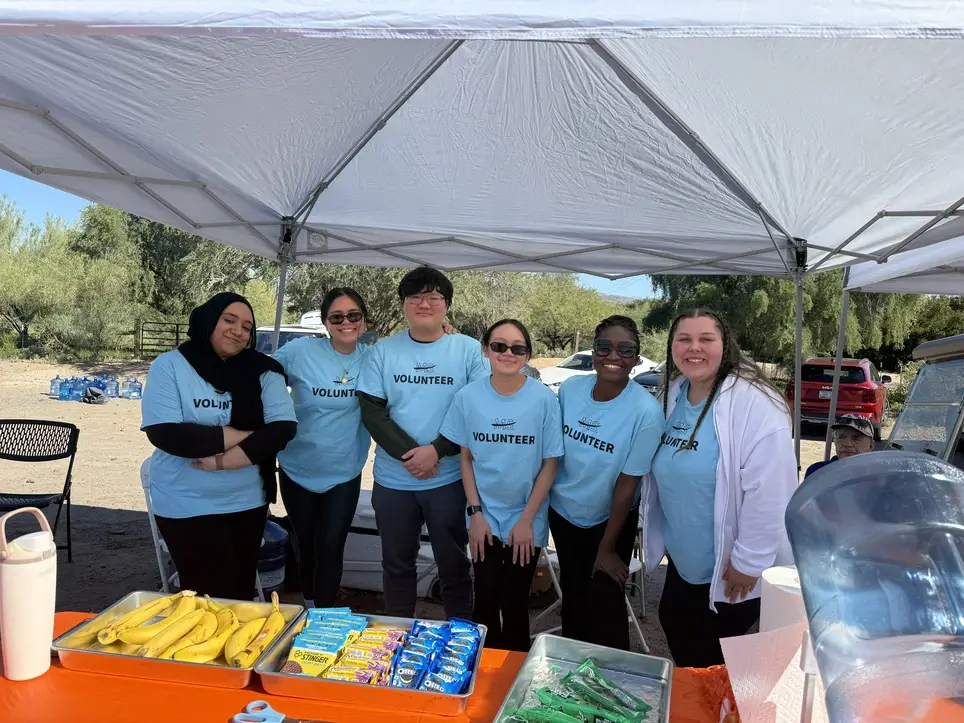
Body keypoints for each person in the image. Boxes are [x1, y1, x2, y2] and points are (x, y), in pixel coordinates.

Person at [645, 308, 797, 668]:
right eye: (683, 339)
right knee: (678, 631)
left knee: (712, 660)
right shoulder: (673, 394)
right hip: (684, 562)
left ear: (724, 345)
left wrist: (749, 561)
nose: (693, 348)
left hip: (731, 570)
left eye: (705, 339)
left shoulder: (756, 404)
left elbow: (772, 491)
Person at [141, 292, 297, 600]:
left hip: (246, 501)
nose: (238, 331)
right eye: (229, 320)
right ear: (209, 320)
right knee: (202, 595)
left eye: (247, 327)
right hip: (184, 500)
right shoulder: (171, 366)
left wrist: (222, 461)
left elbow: (282, 429)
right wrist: (247, 431)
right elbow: (168, 434)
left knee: (239, 592)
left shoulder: (265, 370)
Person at [357, 266, 488, 619]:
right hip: (393, 480)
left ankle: (459, 635)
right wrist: (411, 455)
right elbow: (372, 413)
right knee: (397, 565)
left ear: (447, 305)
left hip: (446, 479)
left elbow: (477, 408)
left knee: (454, 564)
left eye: (433, 297)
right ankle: (397, 632)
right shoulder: (382, 352)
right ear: (404, 304)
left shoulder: (468, 350)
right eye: (415, 296)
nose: (424, 303)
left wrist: (437, 451)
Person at [440, 319, 563, 651]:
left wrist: (526, 521)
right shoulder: (468, 397)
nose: (508, 353)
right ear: (486, 350)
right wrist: (475, 514)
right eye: (499, 346)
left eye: (518, 348)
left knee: (515, 603)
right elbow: (465, 458)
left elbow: (551, 462)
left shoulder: (543, 400)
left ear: (527, 354)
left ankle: (513, 686)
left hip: (527, 517)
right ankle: (484, 680)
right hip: (484, 516)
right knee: (484, 601)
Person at [547, 316, 663, 650]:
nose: (614, 355)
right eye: (604, 347)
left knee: (605, 601)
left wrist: (608, 548)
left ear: (636, 357)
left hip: (611, 518)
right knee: (574, 598)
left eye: (626, 349)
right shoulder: (569, 390)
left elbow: (628, 485)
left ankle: (614, 682)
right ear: (594, 352)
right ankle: (571, 674)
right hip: (564, 513)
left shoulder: (646, 412)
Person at [272, 288, 371, 609]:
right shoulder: (300, 351)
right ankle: (311, 603)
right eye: (337, 317)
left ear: (364, 321)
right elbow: (258, 374)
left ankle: (323, 616)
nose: (346, 322)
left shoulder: (373, 358)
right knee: (304, 543)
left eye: (353, 316)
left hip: (344, 470)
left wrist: (445, 334)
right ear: (326, 322)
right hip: (295, 465)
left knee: (331, 545)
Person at [804, 414, 875, 478]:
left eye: (856, 438)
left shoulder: (878, 475)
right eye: (841, 437)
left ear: (871, 445)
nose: (847, 444)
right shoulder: (817, 471)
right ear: (834, 441)